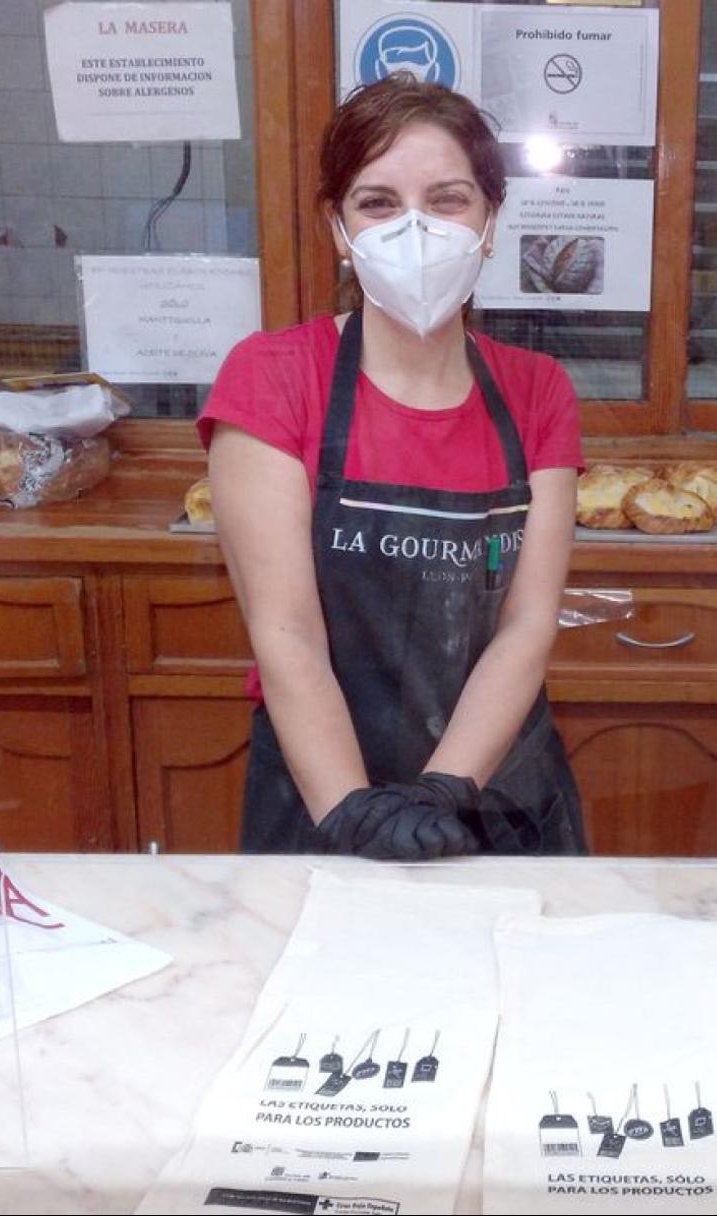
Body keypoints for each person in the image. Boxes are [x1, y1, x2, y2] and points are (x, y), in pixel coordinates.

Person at [199, 77, 586, 860]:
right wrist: (356, 813)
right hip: (321, 796)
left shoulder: (537, 390)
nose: (415, 228)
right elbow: (286, 633)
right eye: (378, 203)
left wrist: (443, 792)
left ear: (489, 221)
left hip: (495, 794)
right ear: (338, 229)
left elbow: (526, 625)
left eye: (447, 200)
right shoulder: (274, 379)